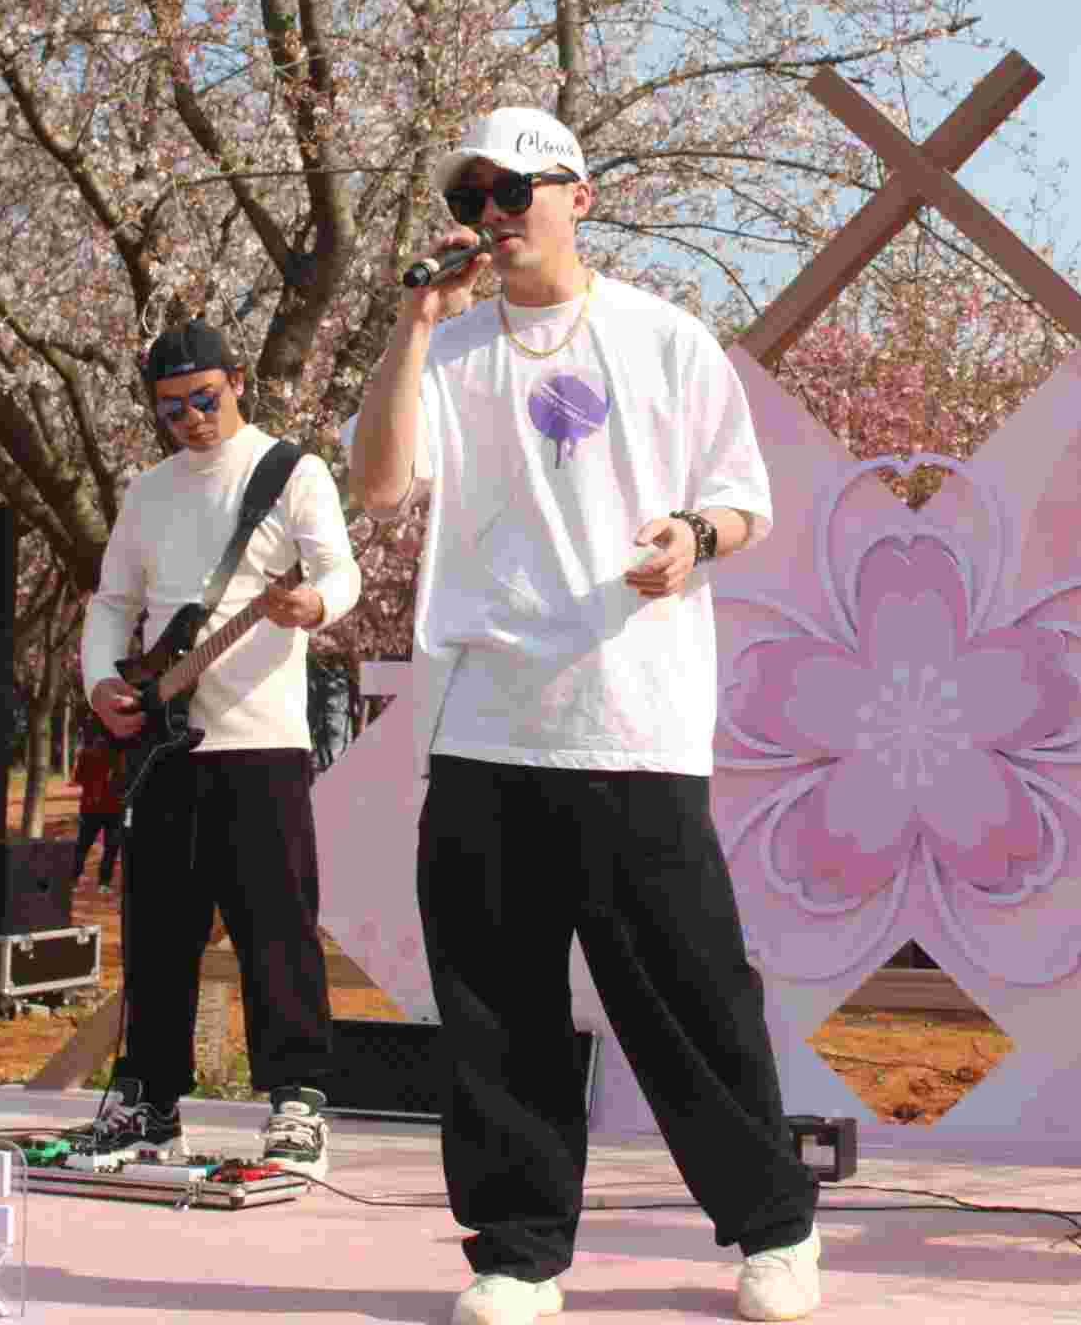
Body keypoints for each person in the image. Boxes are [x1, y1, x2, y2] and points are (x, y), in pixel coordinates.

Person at [349, 105, 821, 1325]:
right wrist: (413, 326)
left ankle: (775, 1228)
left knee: (690, 996)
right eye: (473, 199)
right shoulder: (447, 355)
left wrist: (694, 537)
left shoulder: (666, 339)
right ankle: (517, 1253)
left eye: (515, 191)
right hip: (483, 725)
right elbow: (381, 488)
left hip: (633, 720)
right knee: (496, 1007)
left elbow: (744, 501)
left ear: (580, 196)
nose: (493, 216)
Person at [81, 319, 364, 1183]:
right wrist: (102, 682)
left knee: (275, 929)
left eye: (204, 399)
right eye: (170, 409)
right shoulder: (148, 492)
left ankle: (296, 1102)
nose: (191, 420)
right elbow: (111, 602)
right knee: (158, 931)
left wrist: (314, 606)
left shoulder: (291, 472)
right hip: (164, 748)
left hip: (262, 745)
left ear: (237, 382)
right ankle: (150, 1098)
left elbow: (340, 570)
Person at [69, 708, 124, 891]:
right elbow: (125, 780)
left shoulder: (87, 753)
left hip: (91, 805)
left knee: (83, 844)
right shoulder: (121, 756)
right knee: (111, 846)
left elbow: (78, 778)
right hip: (114, 807)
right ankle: (104, 883)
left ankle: (74, 879)